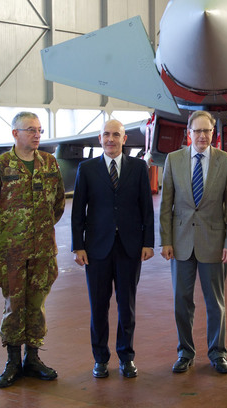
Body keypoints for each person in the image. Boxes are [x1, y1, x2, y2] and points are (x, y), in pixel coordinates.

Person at [0, 112, 65, 388]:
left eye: (39, 130)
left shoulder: (50, 164)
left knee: (37, 305)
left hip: (42, 250)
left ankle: (34, 358)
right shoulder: (1, 165)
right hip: (11, 252)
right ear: (15, 133)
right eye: (30, 130)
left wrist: (38, 228)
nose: (37, 134)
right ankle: (13, 361)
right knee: (14, 305)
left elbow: (58, 205)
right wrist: (12, 229)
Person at [71, 119, 155, 379]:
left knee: (126, 305)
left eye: (115, 134)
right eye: (106, 134)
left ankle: (126, 357)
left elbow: (146, 209)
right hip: (96, 249)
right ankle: (100, 358)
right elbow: (77, 212)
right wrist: (78, 246)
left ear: (124, 139)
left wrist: (148, 242)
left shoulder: (139, 168)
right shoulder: (86, 169)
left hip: (130, 247)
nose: (110, 139)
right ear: (100, 138)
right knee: (98, 306)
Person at [159, 111, 227, 374]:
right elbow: (165, 205)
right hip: (181, 243)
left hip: (214, 243)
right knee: (181, 301)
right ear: (189, 133)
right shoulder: (173, 160)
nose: (202, 136)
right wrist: (166, 241)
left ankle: (218, 353)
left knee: (215, 302)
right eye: (198, 131)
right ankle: (185, 352)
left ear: (213, 134)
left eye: (207, 131)